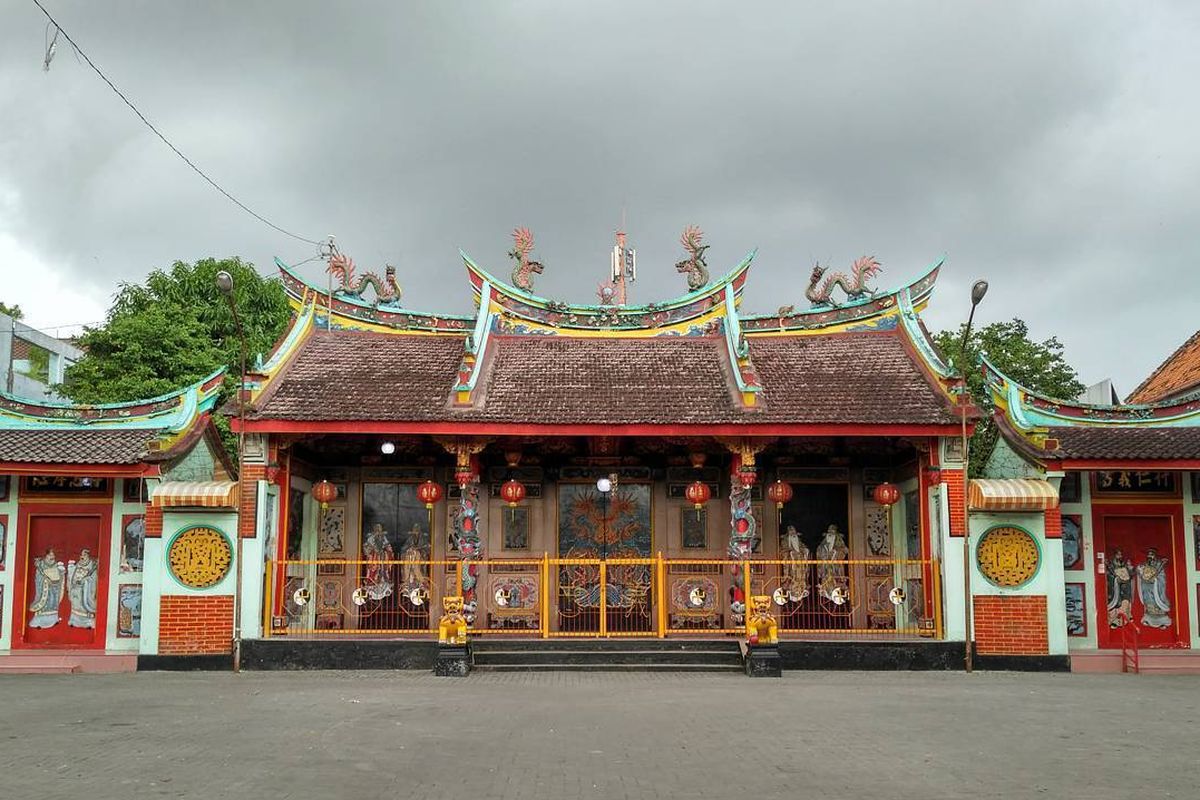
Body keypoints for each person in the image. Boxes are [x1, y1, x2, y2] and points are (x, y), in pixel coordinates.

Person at [29, 548, 66, 628]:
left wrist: (61, 574)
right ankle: (39, 622)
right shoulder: (41, 564)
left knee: (53, 603)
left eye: (53, 555)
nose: (52, 557)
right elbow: (38, 577)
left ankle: (53, 619)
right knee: (43, 605)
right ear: (46, 555)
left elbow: (59, 575)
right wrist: (45, 580)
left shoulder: (56, 564)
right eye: (50, 555)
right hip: (44, 588)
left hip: (54, 589)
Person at [68, 549, 99, 628]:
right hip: (76, 590)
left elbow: (93, 579)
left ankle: (87, 622)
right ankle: (74, 621)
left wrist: (85, 581)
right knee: (75, 606)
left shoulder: (92, 566)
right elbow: (72, 576)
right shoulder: (78, 564)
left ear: (88, 556)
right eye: (81, 555)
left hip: (85, 591)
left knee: (84, 607)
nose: (82, 557)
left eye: (84, 555)